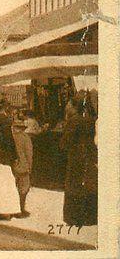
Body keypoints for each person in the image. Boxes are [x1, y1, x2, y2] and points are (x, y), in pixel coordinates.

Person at [61, 96, 98, 226]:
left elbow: (64, 143)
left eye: (68, 105)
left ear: (73, 107)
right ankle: (89, 217)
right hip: (87, 157)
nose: (66, 107)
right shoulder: (89, 120)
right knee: (87, 185)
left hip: (75, 157)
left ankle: (74, 218)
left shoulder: (73, 121)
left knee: (73, 185)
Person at [11, 114, 33, 218]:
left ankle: (13, 209)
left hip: (12, 166)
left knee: (13, 188)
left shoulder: (10, 137)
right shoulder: (25, 138)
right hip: (23, 166)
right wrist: (30, 166)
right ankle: (20, 209)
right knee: (23, 189)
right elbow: (29, 154)